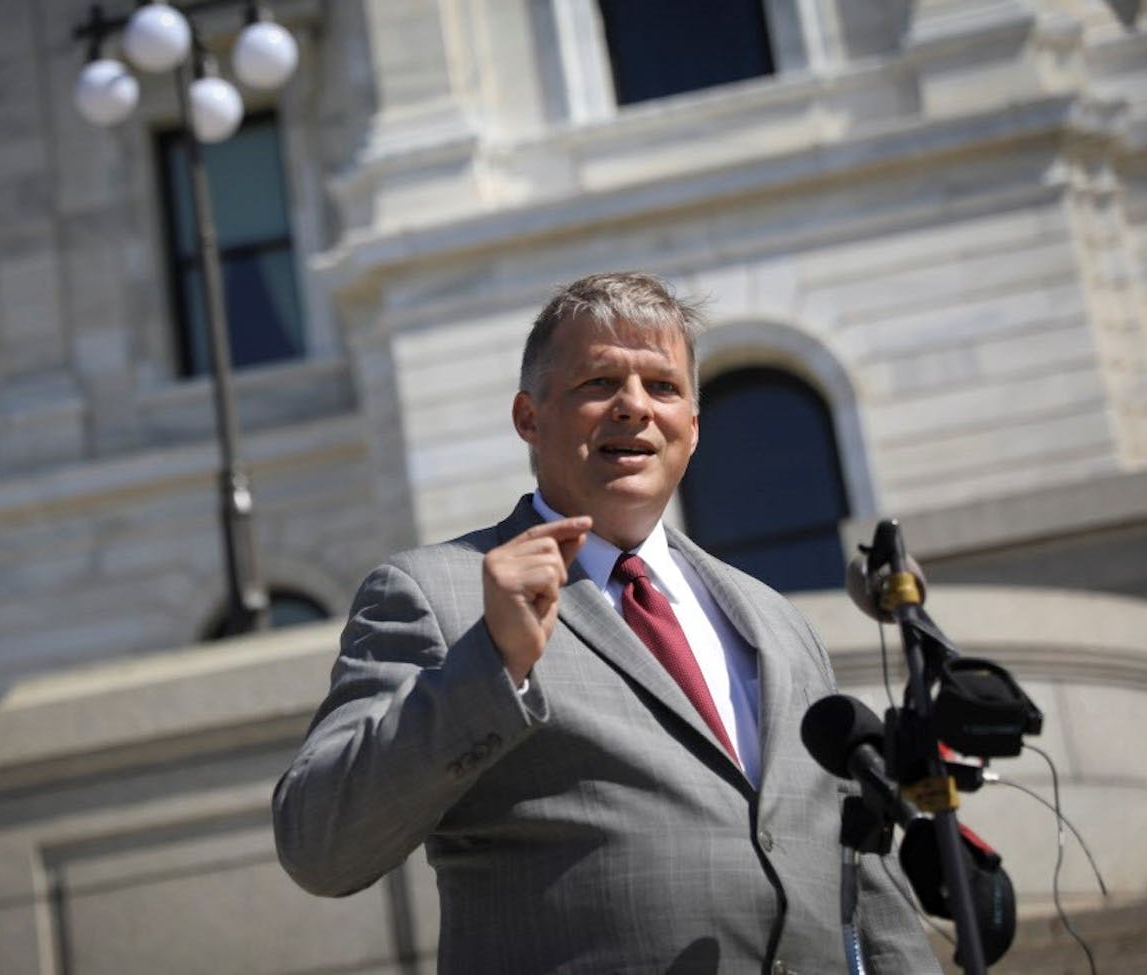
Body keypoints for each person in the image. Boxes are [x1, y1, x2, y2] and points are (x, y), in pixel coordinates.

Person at [272, 272, 939, 973]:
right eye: (599, 383)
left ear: (694, 427)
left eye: (663, 386)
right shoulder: (437, 591)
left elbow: (859, 868)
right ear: (529, 417)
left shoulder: (775, 621)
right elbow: (320, 843)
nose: (634, 407)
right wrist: (491, 665)